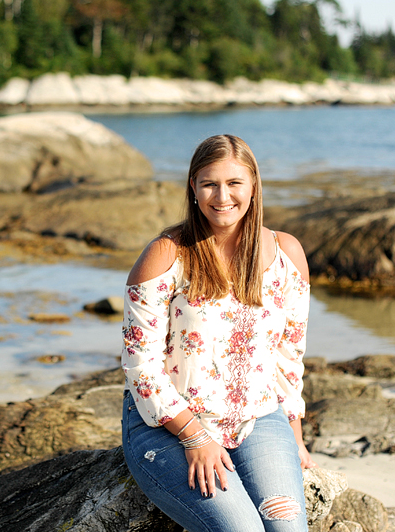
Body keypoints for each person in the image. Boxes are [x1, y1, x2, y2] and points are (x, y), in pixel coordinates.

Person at [121, 134, 315, 532]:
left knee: (288, 528)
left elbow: (288, 356)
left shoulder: (287, 254)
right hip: (168, 425)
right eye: (209, 183)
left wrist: (294, 435)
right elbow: (140, 366)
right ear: (193, 187)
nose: (221, 196)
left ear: (254, 186)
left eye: (234, 183)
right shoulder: (167, 254)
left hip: (259, 418)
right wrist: (194, 438)